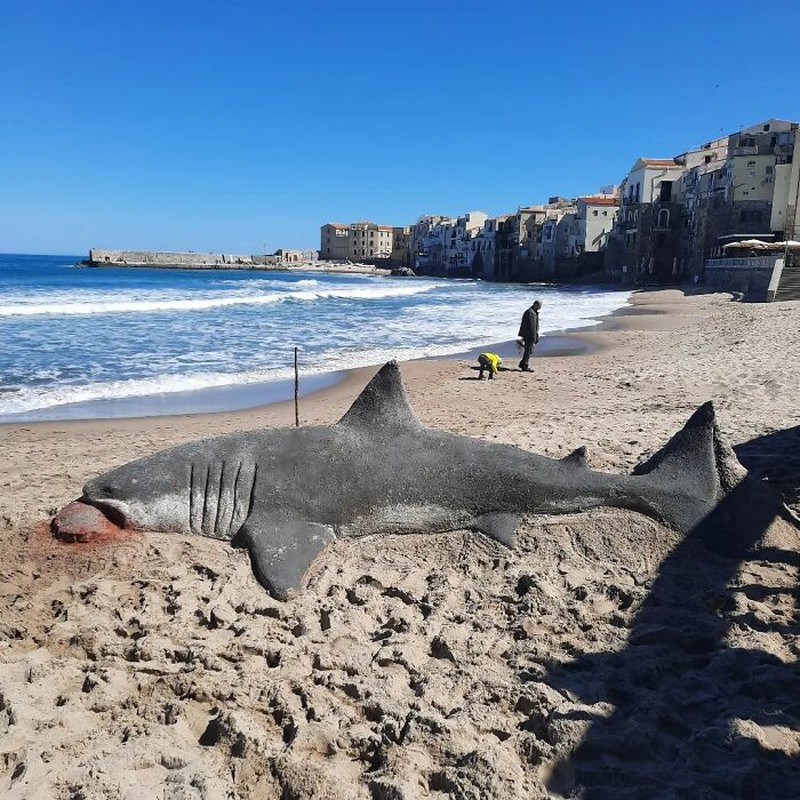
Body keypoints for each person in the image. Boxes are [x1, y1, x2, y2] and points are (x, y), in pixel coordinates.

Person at [517, 300, 541, 371]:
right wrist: (534, 337)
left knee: (529, 350)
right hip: (529, 334)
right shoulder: (531, 313)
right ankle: (524, 365)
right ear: (535, 305)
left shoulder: (531, 312)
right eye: (539, 306)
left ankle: (523, 363)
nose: (540, 308)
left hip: (527, 334)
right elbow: (532, 326)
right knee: (529, 350)